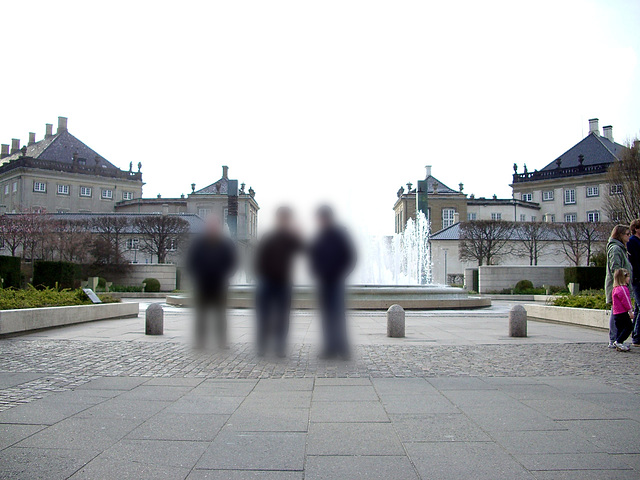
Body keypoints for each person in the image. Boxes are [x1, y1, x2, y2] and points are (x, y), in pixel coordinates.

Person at [254, 206, 303, 357]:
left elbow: (305, 249)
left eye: (286, 217)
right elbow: (258, 258)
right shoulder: (268, 236)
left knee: (282, 316)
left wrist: (298, 235)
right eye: (282, 217)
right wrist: (261, 275)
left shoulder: (291, 238)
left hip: (284, 283)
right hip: (267, 281)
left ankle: (279, 346)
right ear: (277, 218)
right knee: (264, 315)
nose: (284, 220)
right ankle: (262, 345)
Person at [309, 205, 356, 360]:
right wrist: (316, 273)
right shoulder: (319, 236)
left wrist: (341, 274)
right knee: (326, 315)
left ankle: (342, 349)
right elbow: (312, 257)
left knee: (337, 314)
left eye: (322, 218)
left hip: (336, 281)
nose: (321, 221)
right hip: (323, 282)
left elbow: (350, 257)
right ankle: (329, 348)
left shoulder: (340, 234)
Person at [186, 215, 237, 349]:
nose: (212, 228)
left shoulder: (227, 244)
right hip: (202, 284)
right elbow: (191, 262)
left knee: (220, 314)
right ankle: (200, 341)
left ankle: (222, 341)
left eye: (214, 226)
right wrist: (197, 276)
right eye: (210, 225)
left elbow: (232, 263)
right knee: (201, 314)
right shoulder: (198, 243)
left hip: (220, 284)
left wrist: (225, 275)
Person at [605, 224, 633, 348]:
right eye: (627, 234)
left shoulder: (619, 248)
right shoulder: (616, 249)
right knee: (616, 313)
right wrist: (623, 279)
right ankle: (614, 339)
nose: (629, 236)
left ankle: (617, 339)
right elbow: (615, 268)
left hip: (620, 285)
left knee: (617, 313)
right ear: (620, 235)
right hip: (618, 286)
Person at [611, 269, 634, 351]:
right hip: (622, 312)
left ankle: (618, 341)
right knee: (629, 327)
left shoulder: (615, 288)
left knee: (620, 329)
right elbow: (626, 301)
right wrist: (630, 311)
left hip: (616, 313)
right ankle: (619, 341)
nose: (629, 279)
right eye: (628, 277)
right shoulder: (623, 289)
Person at [628, 219, 640, 346]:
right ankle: (637, 337)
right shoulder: (633, 241)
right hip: (637, 278)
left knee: (638, 308)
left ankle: (636, 335)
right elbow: (634, 262)